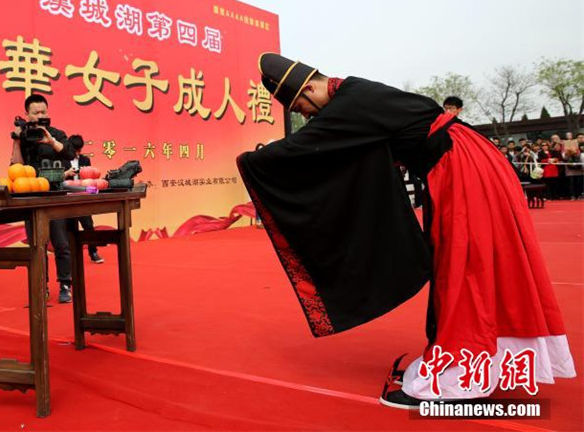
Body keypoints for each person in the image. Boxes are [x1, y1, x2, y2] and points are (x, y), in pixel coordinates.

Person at [237, 54, 575, 409]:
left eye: (304, 109)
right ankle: (487, 359)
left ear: (308, 87)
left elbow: (307, 147)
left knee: (466, 267)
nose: (309, 117)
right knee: (478, 263)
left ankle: (460, 374)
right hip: (467, 160)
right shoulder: (355, 96)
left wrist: (251, 162)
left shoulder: (350, 102)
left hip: (462, 168)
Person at [11, 94, 76, 303]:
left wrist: (51, 141)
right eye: (36, 113)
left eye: (43, 112)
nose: (41, 115)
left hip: (55, 195)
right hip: (31, 197)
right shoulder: (24, 137)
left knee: (61, 244)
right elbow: (16, 167)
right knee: (37, 246)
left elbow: (69, 154)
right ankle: (41, 286)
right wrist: (16, 140)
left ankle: (65, 284)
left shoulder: (56, 133)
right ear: (27, 115)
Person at [65, 135, 105, 263]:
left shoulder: (85, 160)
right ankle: (73, 255)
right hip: (69, 195)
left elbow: (91, 180)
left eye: (79, 150)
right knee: (71, 227)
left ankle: (93, 252)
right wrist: (68, 174)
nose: (77, 153)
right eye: (75, 149)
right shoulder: (63, 160)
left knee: (88, 225)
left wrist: (85, 175)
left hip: (83, 195)